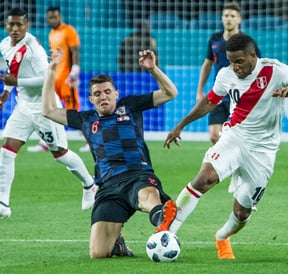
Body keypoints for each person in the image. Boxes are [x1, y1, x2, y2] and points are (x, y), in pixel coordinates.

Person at [164, 33, 288, 259]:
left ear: (252, 56)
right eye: (230, 61)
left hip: (263, 150)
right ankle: (167, 233)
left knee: (242, 212)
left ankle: (222, 236)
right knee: (203, 178)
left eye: (239, 61)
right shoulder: (225, 75)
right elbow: (209, 102)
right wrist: (180, 125)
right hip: (235, 136)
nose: (235, 67)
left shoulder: (274, 69)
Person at [42, 48, 178, 258]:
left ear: (116, 93)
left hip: (138, 175)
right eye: (97, 94)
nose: (103, 97)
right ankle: (118, 245)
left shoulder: (130, 106)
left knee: (147, 195)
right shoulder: (85, 119)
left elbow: (171, 92)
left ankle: (161, 217)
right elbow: (49, 110)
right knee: (98, 253)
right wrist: (51, 70)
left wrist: (153, 69)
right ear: (91, 99)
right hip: (108, 187)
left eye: (107, 92)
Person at [0, 8, 96, 217]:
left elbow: (46, 79)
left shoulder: (32, 49)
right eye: (11, 24)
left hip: (45, 106)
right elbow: (12, 71)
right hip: (23, 106)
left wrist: (16, 82)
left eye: (19, 24)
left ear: (27, 26)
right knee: (6, 150)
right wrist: (6, 93)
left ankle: (90, 185)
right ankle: (3, 203)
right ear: (6, 25)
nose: (15, 29)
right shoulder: (5, 45)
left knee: (60, 154)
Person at [196, 2, 261, 144]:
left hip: (241, 95)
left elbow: (259, 67)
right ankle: (228, 160)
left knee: (243, 136)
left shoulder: (247, 41)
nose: (229, 19)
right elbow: (207, 64)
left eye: (232, 16)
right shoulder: (215, 39)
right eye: (226, 15)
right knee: (214, 135)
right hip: (220, 94)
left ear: (239, 19)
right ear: (222, 18)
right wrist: (200, 90)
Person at [27, 6, 90, 153]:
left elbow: (75, 50)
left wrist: (75, 69)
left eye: (55, 17)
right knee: (49, 109)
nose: (52, 20)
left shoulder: (68, 31)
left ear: (59, 16)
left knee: (73, 111)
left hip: (68, 79)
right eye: (50, 17)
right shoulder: (51, 34)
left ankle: (90, 140)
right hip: (55, 79)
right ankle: (45, 141)